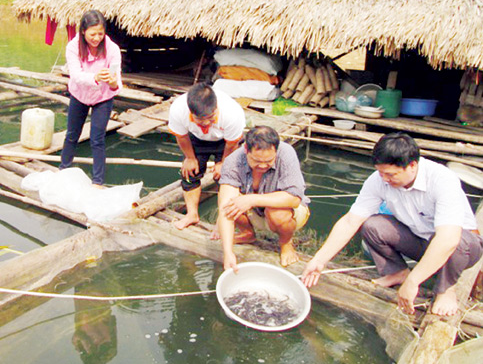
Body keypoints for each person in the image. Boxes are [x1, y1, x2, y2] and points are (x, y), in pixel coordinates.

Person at [301, 133, 483, 317]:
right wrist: (319, 260)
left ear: (412, 165)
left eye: (391, 174)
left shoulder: (442, 180)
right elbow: (350, 221)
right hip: (419, 240)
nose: (385, 179)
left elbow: (447, 239)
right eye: (381, 173)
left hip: (461, 250)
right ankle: (398, 272)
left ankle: (446, 289)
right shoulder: (378, 180)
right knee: (372, 225)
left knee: (457, 241)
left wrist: (414, 282)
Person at [218, 126, 310, 268]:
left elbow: (294, 199)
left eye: (268, 161)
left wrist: (252, 199)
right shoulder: (232, 162)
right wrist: (228, 252)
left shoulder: (286, 153)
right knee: (229, 200)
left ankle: (286, 243)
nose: (262, 165)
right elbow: (225, 208)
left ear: (276, 151)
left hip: (289, 212)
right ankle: (247, 233)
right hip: (255, 212)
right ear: (246, 150)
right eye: (256, 160)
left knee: (276, 212)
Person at [167, 83, 246, 230]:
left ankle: (222, 220)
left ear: (216, 108)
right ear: (191, 112)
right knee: (189, 173)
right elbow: (182, 136)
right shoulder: (178, 109)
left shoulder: (232, 113)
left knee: (228, 176)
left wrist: (223, 163)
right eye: (200, 119)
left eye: (210, 117)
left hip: (225, 142)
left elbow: (231, 145)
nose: (206, 123)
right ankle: (192, 214)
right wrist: (190, 158)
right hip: (196, 138)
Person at [60, 10, 122, 187]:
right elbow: (76, 76)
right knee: (72, 135)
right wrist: (95, 77)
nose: (96, 38)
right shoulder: (73, 47)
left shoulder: (112, 49)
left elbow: (117, 83)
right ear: (83, 31)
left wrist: (112, 82)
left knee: (97, 139)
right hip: (79, 93)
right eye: (92, 34)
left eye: (100, 34)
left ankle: (97, 181)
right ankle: (63, 170)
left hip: (103, 96)